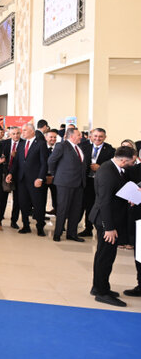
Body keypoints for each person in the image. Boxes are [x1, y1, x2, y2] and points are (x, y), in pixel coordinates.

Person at [89, 145, 139, 307]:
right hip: (106, 221)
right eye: (132, 162)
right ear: (124, 160)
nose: (133, 164)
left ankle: (100, 287)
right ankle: (101, 292)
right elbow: (104, 202)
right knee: (105, 256)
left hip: (112, 219)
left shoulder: (115, 168)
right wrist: (109, 227)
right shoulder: (107, 172)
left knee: (106, 256)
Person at [6, 123, 49, 236]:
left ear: (32, 132)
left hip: (35, 180)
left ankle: (40, 226)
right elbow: (17, 162)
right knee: (23, 203)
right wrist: (11, 173)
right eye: (22, 130)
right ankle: (26, 225)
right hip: (21, 179)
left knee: (38, 204)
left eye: (25, 130)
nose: (22, 133)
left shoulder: (40, 144)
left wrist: (40, 178)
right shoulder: (21, 144)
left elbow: (44, 163)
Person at [47, 127, 89, 242]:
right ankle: (58, 233)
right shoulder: (62, 146)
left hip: (79, 183)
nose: (81, 136)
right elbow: (51, 161)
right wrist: (57, 175)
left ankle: (72, 233)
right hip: (65, 183)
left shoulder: (79, 147)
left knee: (76, 209)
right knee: (63, 209)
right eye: (79, 134)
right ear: (71, 136)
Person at [79, 128, 115, 238]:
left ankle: (102, 227)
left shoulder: (110, 150)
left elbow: (112, 167)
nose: (97, 138)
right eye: (95, 136)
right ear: (91, 136)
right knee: (87, 205)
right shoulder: (84, 147)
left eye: (100, 136)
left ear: (105, 137)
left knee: (99, 205)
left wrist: (100, 168)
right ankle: (88, 228)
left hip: (101, 182)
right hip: (87, 181)